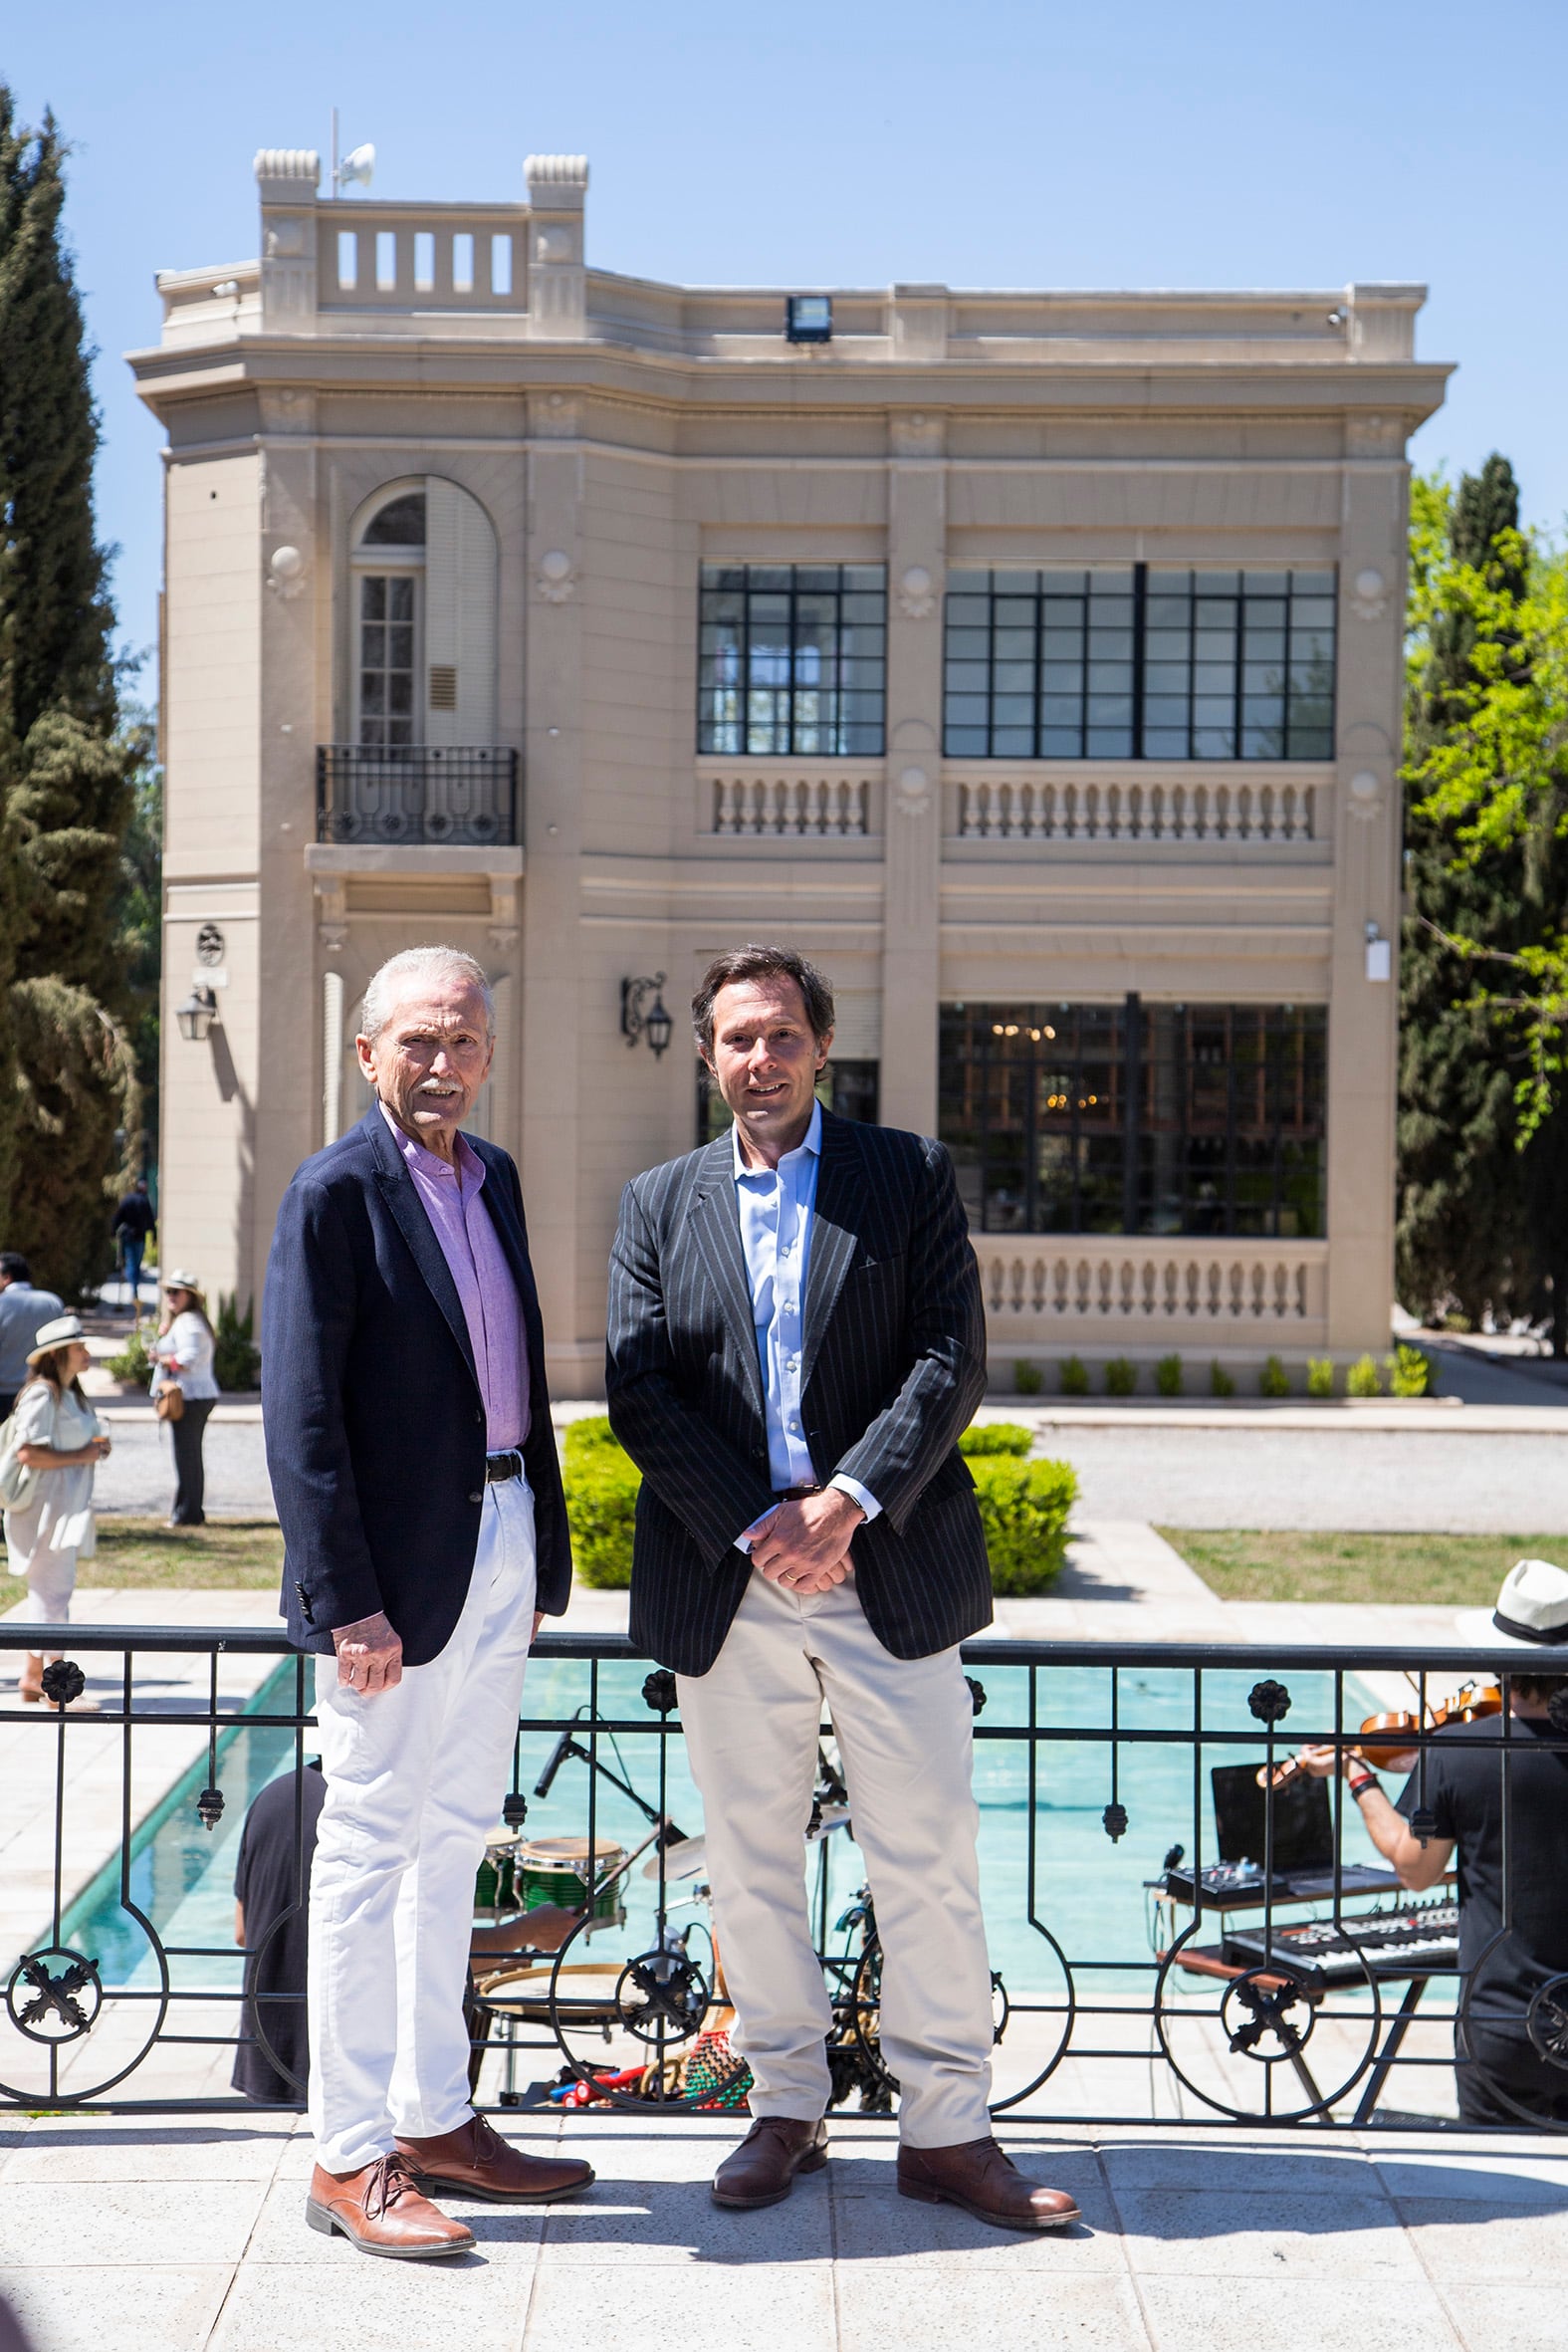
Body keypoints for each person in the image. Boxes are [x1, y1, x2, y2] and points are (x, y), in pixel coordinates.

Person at [605, 943, 1079, 2231]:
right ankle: (785, 2104)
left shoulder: (904, 1176)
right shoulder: (656, 1201)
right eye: (732, 1039)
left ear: (821, 1045)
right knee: (749, 1858)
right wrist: (762, 1525)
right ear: (706, 1055)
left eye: (778, 1035)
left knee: (923, 1850)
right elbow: (638, 1384)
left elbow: (946, 1357)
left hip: (886, 1564)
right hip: (729, 1573)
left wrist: (844, 1502)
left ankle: (945, 2130)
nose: (756, 1059)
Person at [263, 943, 591, 2259]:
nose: (442, 1064)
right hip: (391, 1584)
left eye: (462, 1041)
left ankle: (436, 2115)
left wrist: (536, 1553)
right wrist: (350, 1602)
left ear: (489, 1052)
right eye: (416, 1042)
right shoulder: (332, 1194)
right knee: (366, 1852)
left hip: (499, 1534)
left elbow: (506, 1369)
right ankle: (347, 2154)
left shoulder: (494, 1175)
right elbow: (300, 1420)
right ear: (366, 1054)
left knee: (456, 1830)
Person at [1296, 1556, 1568, 2125]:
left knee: (1505, 2187)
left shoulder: (1460, 1752)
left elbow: (1414, 1869)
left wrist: (1357, 1773)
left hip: (1504, 2020)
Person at [231, 1758, 582, 2109]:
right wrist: (526, 1931)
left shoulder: (271, 1797)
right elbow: (424, 1946)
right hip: (351, 2063)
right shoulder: (388, 1810)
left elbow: (243, 1932)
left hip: (268, 2051)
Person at [2, 1314, 111, 1706]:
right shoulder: (42, 1394)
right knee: (53, 1595)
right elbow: (28, 1452)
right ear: (59, 1353)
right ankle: (57, 1686)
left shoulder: (70, 1394)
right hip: (45, 1510)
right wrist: (82, 1453)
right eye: (79, 1346)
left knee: (47, 1594)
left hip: (63, 1507)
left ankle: (33, 1677)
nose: (86, 1353)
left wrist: (95, 1447)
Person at [148, 1272, 220, 1527]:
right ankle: (189, 1510)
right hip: (190, 1395)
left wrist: (162, 1358)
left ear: (189, 1296)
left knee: (187, 1457)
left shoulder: (189, 1322)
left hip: (190, 1397)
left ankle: (188, 1513)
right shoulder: (186, 1321)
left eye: (175, 1292)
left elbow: (189, 1358)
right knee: (188, 1456)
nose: (170, 1296)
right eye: (168, 1291)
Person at [0, 1257, 64, 1423]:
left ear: (6, 1278)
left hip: (4, 1392)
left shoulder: (2, 1304)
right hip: (46, 1390)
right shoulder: (53, 1302)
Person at [111, 1180, 156, 1318]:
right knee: (135, 1264)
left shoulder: (127, 1200)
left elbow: (117, 1217)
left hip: (128, 1237)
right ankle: (134, 1289)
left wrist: (112, 1232)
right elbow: (150, 1220)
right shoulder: (143, 1201)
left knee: (131, 1264)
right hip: (138, 1237)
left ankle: (134, 1288)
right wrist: (154, 1236)